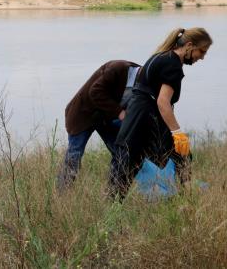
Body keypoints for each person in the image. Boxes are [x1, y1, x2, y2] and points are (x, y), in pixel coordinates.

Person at [109, 27, 213, 200]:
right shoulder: (172, 64)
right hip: (146, 118)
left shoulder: (161, 56)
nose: (201, 57)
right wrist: (177, 133)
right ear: (188, 45)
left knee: (127, 162)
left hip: (138, 115)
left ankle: (186, 198)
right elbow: (163, 102)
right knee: (128, 164)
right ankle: (112, 210)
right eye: (201, 51)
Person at [57, 60, 141, 190]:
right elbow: (95, 91)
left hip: (105, 118)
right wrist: (120, 113)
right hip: (82, 115)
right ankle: (61, 194)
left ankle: (113, 193)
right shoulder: (118, 68)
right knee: (74, 155)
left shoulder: (142, 86)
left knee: (121, 152)